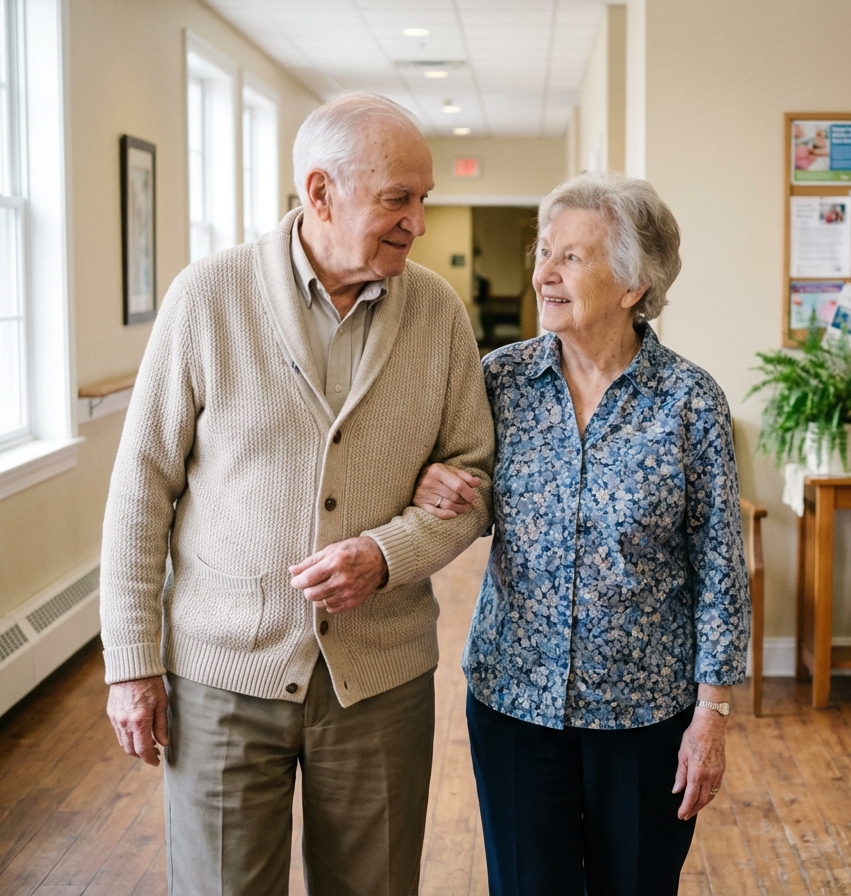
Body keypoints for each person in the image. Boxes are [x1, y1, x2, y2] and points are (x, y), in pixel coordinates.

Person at [100, 93, 495, 895]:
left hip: (380, 677)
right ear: (320, 193)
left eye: (424, 199)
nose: (418, 223)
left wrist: (386, 554)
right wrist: (131, 666)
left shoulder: (438, 313)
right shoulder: (207, 297)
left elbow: (475, 480)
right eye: (398, 199)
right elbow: (141, 488)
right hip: (223, 674)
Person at [415, 173, 750, 896]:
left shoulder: (690, 401)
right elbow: (460, 487)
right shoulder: (500, 381)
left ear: (634, 283)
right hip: (514, 702)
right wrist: (432, 483)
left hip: (645, 715)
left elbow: (721, 569)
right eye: (544, 253)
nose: (545, 273)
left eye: (571, 257)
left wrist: (712, 716)